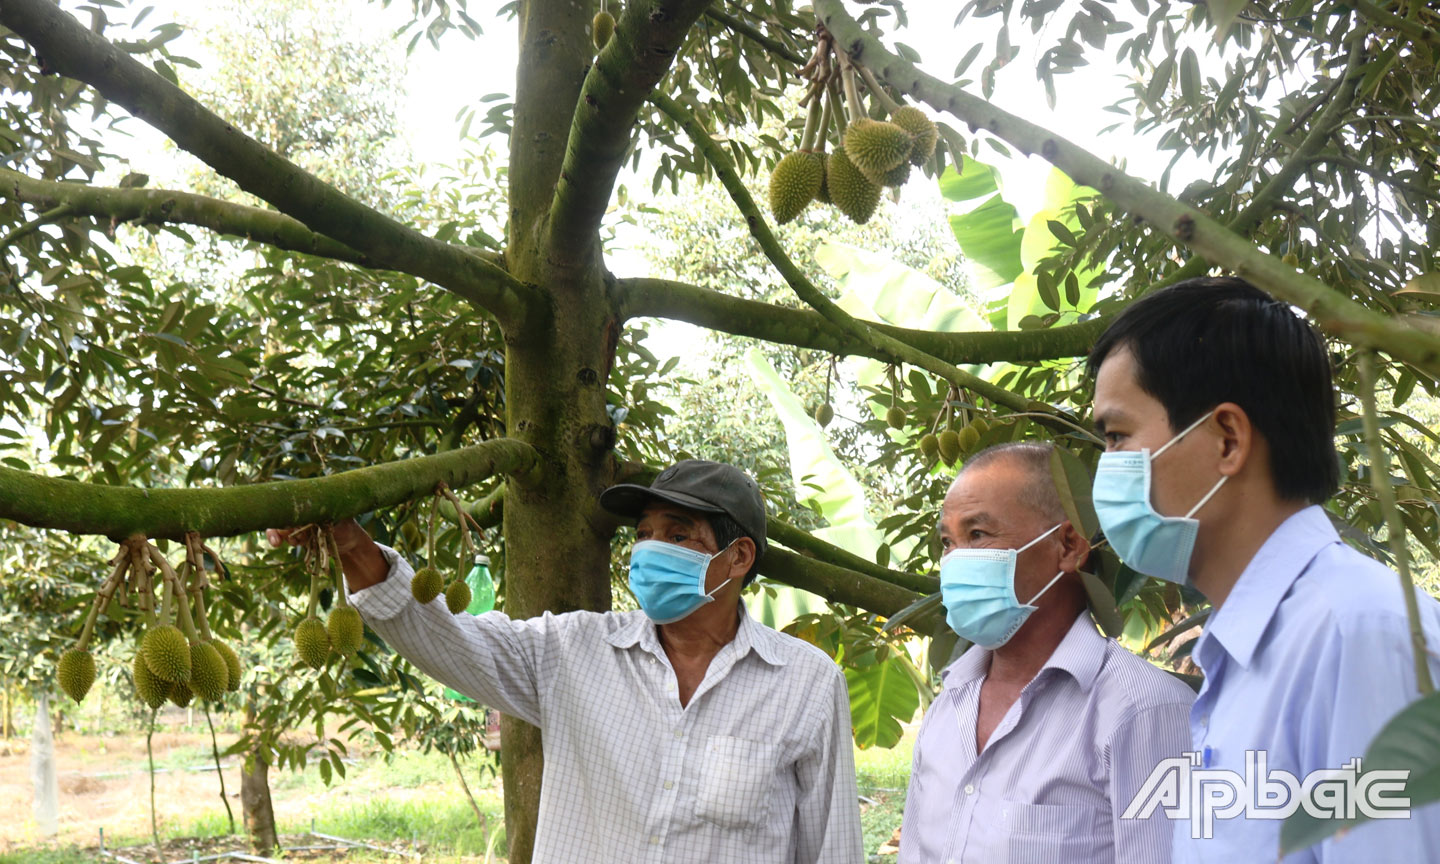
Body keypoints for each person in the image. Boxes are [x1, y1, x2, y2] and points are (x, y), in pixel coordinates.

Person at [271, 458, 863, 864]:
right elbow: (448, 639)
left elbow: (831, 849)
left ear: (737, 558)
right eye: (645, 533)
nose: (651, 549)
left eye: (677, 536)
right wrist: (352, 546)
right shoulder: (572, 651)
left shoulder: (806, 685)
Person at [1087, 276, 1440, 861]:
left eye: (1117, 436)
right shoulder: (1247, 648)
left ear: (1227, 439)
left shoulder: (1357, 639)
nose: (1105, 468)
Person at [900, 442, 1195, 863]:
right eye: (948, 542)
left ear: (1068, 546)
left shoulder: (1146, 713)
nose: (955, 561)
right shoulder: (950, 703)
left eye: (978, 534)